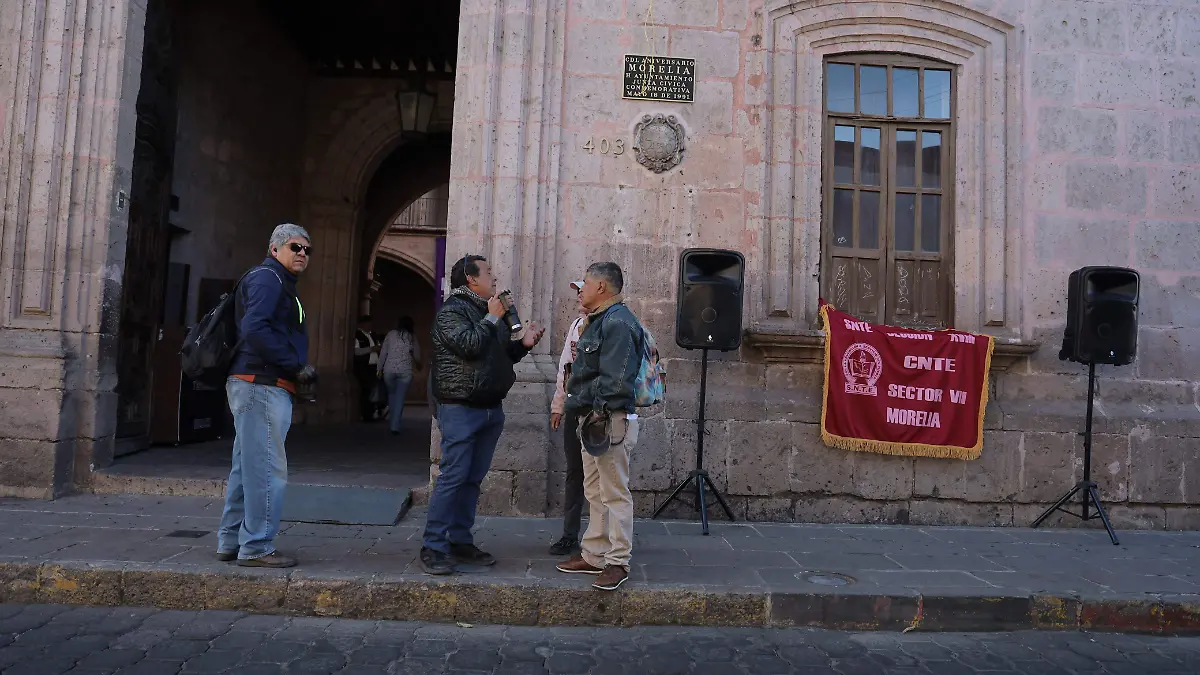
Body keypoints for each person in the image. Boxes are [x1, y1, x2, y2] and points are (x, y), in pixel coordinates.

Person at [422, 254, 545, 574]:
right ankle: (433, 545)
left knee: (472, 480)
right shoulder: (451, 313)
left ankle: (460, 540)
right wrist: (492, 318)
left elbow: (500, 355)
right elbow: (470, 345)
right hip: (461, 407)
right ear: (470, 278)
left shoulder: (488, 312)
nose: (494, 276)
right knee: (452, 477)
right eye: (488, 272)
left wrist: (524, 345)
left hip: (490, 409)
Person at [217, 223, 317, 569]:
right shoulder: (267, 279)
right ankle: (257, 545)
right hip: (260, 383)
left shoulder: (279, 283)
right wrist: (295, 365)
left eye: (307, 249)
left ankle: (231, 540)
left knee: (246, 469)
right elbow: (254, 328)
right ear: (275, 249)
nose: (302, 253)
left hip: (259, 383)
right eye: (295, 247)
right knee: (267, 470)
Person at [557, 262, 643, 591]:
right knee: (594, 490)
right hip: (590, 419)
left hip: (606, 420)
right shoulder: (599, 321)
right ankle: (594, 553)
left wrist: (595, 412)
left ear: (602, 288)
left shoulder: (619, 322)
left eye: (587, 283)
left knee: (614, 493)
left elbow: (616, 380)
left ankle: (617, 561)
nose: (582, 289)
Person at [548, 280, 588, 556]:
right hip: (575, 409)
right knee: (575, 473)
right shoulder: (576, 326)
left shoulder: (614, 324)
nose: (577, 296)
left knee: (602, 479)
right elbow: (565, 368)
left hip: (600, 412)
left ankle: (605, 538)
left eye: (582, 291)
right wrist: (558, 406)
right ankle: (569, 534)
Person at [377, 315, 421, 435]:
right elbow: (417, 355)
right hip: (405, 371)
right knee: (400, 398)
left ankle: (392, 420)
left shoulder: (390, 334)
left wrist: (378, 369)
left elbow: (383, 353)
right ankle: (395, 426)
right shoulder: (412, 337)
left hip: (389, 370)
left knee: (391, 395)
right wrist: (418, 364)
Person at [354, 316, 382, 421]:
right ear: (362, 324)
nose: (370, 326)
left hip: (373, 366)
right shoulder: (358, 336)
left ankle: (371, 412)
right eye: (368, 323)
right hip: (364, 366)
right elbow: (356, 351)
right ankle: (366, 414)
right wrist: (371, 349)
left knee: (372, 390)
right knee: (366, 390)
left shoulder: (372, 335)